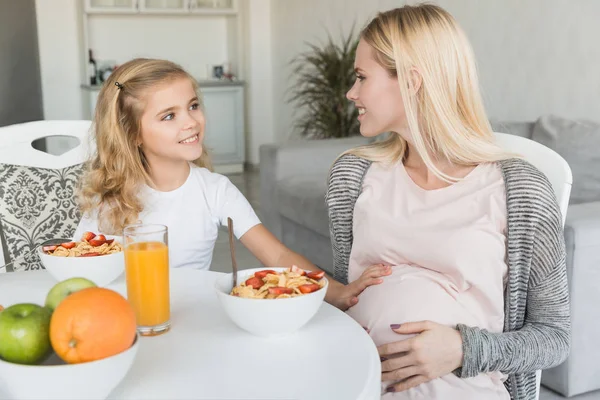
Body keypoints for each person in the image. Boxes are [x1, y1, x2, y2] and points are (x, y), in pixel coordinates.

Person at [326, 4, 570, 399]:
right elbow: (346, 298)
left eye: (361, 77)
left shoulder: (520, 189)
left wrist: (462, 348)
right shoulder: (352, 178)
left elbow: (554, 338)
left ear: (410, 81)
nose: (351, 93)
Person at [74, 58, 388, 310]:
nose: (190, 122)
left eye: (193, 106)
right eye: (169, 116)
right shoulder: (113, 199)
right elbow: (80, 268)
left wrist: (335, 291)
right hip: (127, 317)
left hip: (194, 316)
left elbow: (277, 256)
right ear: (133, 135)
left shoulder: (215, 190)